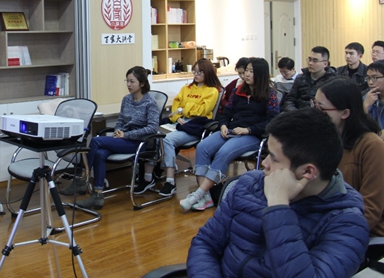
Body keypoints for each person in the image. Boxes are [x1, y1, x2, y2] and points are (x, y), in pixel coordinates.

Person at [187, 108, 370, 278]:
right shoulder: (250, 184)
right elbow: (206, 243)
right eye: (267, 153)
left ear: (307, 172)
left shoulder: (347, 224)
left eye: (274, 159)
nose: (264, 164)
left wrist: (279, 207)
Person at [180, 57, 279, 212]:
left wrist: (248, 130)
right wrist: (223, 125)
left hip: (252, 135)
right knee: (202, 147)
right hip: (231, 130)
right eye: (247, 70)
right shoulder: (238, 91)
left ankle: (198, 194)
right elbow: (226, 112)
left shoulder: (269, 95)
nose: (247, 74)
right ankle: (206, 196)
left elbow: (272, 121)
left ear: (261, 74)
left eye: (251, 71)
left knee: (223, 152)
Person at [74, 66, 159, 210]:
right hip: (123, 139)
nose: (128, 85)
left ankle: (82, 178)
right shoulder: (126, 99)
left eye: (132, 81)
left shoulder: (150, 103)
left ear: (142, 83)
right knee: (100, 153)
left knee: (95, 140)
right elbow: (120, 121)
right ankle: (97, 195)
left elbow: (152, 128)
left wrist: (126, 135)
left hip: (137, 142)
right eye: (127, 81)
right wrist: (117, 131)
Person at [135, 59, 222, 198]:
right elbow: (176, 107)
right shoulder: (186, 88)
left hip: (195, 126)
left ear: (208, 73)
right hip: (179, 122)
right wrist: (178, 116)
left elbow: (202, 111)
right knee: (152, 135)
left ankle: (170, 181)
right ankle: (147, 178)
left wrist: (183, 110)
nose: (196, 74)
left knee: (167, 140)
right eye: (194, 71)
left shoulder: (212, 91)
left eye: (200, 72)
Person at [315, 77, 384, 237]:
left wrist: (331, 236)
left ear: (345, 113)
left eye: (321, 108)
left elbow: (370, 210)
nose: (315, 113)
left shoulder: (372, 146)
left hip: (359, 230)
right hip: (324, 222)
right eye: (314, 105)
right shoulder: (321, 139)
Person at [282, 46, 337, 111]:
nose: (310, 63)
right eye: (309, 59)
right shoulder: (301, 78)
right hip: (299, 113)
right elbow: (289, 100)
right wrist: (295, 113)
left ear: (325, 64)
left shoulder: (332, 81)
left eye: (315, 61)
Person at [363, 60, 384, 130]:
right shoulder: (366, 98)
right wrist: (365, 106)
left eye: (375, 78)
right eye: (368, 78)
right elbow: (359, 127)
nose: (370, 82)